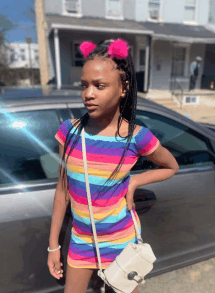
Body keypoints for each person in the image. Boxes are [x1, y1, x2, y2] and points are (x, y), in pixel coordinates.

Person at [47, 38, 179, 293]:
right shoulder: (70, 132)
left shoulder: (136, 137)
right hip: (82, 241)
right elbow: (63, 190)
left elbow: (171, 166)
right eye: (84, 85)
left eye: (99, 85)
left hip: (121, 242)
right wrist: (54, 245)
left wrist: (136, 180)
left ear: (123, 88)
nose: (89, 94)